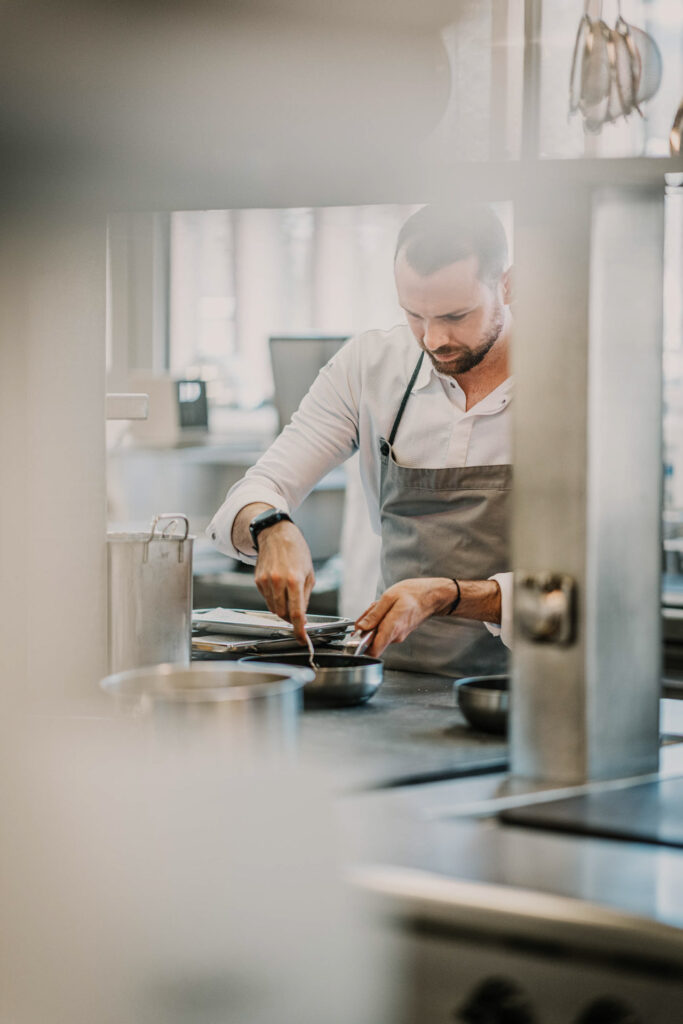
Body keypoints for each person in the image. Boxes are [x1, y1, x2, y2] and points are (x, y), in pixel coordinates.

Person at [207, 203, 513, 677]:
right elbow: (258, 488)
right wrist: (271, 526)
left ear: (507, 286)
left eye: (456, 315)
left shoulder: (574, 380)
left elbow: (590, 586)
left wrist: (447, 595)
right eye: (414, 314)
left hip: (532, 691)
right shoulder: (370, 367)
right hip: (395, 683)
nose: (433, 339)